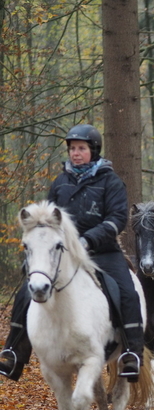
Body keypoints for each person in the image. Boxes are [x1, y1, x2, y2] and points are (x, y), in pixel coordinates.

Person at [0, 124, 144, 382]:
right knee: (28, 290)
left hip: (101, 251)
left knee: (126, 290)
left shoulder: (111, 181)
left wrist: (88, 239)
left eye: (81, 149)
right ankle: (13, 352)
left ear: (93, 151)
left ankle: (132, 353)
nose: (76, 153)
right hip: (63, 254)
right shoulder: (60, 182)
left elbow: (117, 219)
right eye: (72, 149)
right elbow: (48, 220)